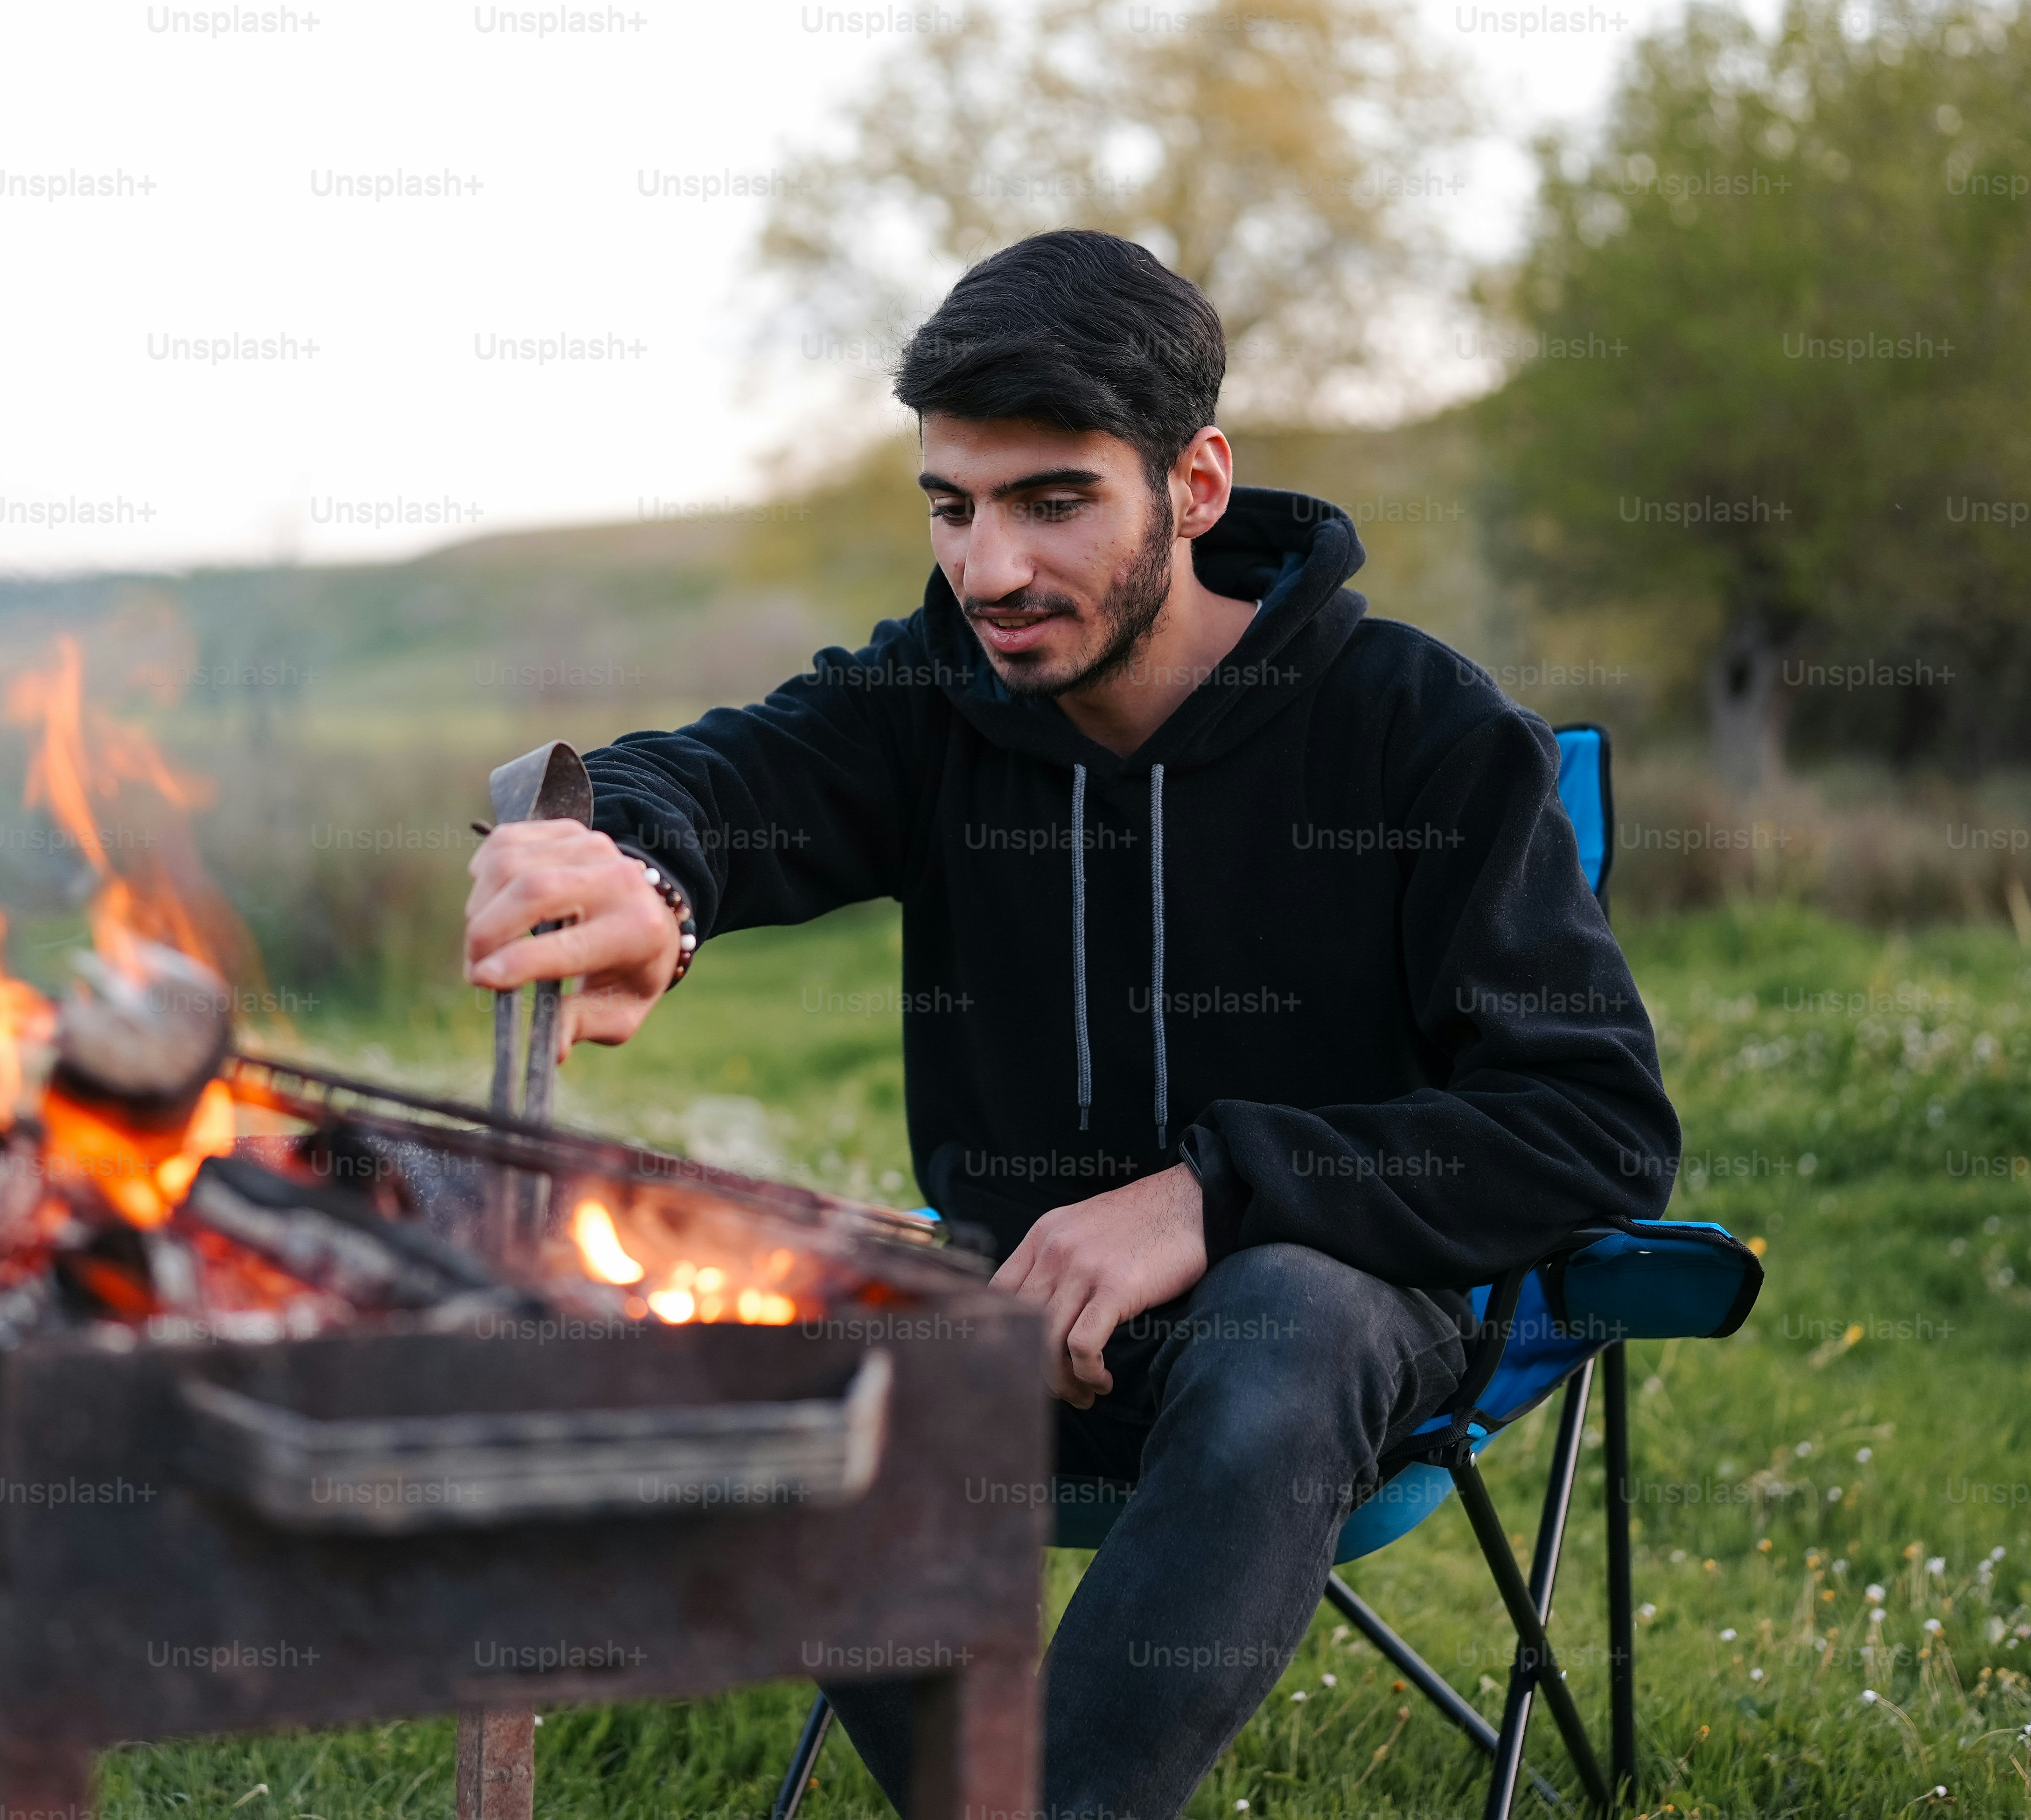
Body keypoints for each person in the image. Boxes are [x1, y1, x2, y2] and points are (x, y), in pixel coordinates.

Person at [462, 228, 1679, 1820]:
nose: (989, 572)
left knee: (1289, 1311)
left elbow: (1593, 1127)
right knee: (771, 1336)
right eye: (952, 507)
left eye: (1054, 502)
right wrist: (626, 865)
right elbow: (727, 777)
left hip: (1326, 1338)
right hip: (1015, 1318)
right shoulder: (933, 700)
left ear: (1196, 483)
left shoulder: (1421, 735)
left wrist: (1209, 1195)